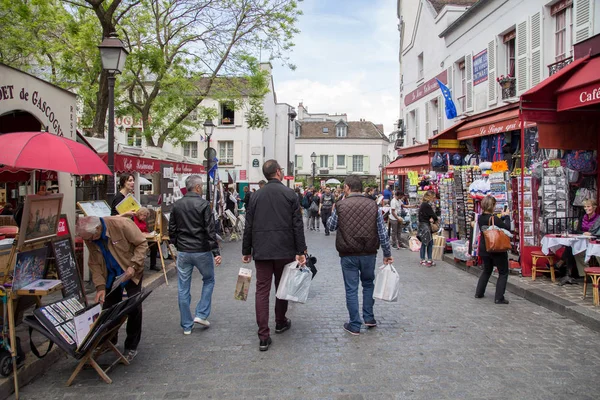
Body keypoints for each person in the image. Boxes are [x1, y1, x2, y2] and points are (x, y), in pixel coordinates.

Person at [242, 160, 307, 351]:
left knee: (262, 291)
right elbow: (297, 225)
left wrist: (246, 250)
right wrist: (300, 251)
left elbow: (249, 226)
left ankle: (263, 335)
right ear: (278, 172)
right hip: (284, 249)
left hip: (262, 250)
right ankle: (280, 321)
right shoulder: (290, 194)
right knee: (282, 287)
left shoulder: (255, 197)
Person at [76, 215, 148, 362]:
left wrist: (133, 266)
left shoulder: (121, 224)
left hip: (130, 270)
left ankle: (131, 346)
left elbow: (142, 244)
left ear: (98, 229)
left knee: (134, 307)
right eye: (86, 239)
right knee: (109, 309)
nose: (89, 241)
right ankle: (109, 341)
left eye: (90, 238)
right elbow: (94, 262)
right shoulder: (90, 237)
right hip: (110, 275)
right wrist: (100, 287)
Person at [327, 175, 393, 335]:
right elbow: (382, 231)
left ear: (347, 188)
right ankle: (369, 318)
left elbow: (331, 226)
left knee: (351, 289)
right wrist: (387, 252)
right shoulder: (373, 205)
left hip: (348, 252)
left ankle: (355, 324)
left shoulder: (340, 205)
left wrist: (334, 212)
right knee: (368, 284)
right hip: (369, 252)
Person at [169, 175, 222, 335]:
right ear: (198, 187)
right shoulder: (204, 204)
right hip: (201, 250)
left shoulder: (177, 205)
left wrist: (178, 245)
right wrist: (216, 252)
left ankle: (186, 325)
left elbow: (172, 229)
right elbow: (209, 230)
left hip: (184, 251)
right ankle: (201, 313)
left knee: (183, 287)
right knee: (209, 280)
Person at [475, 195, 511, 304]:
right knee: (503, 272)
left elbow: (494, 224)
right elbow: (506, 227)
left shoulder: (481, 218)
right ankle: (499, 297)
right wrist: (507, 217)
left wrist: (501, 217)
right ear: (493, 205)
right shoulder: (494, 218)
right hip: (496, 248)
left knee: (487, 270)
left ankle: (479, 292)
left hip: (484, 248)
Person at [133, 207, 160, 272]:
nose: (144, 217)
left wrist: (148, 234)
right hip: (136, 238)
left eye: (145, 216)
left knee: (154, 245)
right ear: (140, 214)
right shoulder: (134, 219)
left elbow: (145, 229)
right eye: (144, 215)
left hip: (144, 237)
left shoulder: (142, 221)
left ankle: (153, 265)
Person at [417, 190, 438, 266]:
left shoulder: (423, 205)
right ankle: (426, 259)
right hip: (425, 225)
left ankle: (425, 259)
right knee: (428, 242)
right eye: (433, 197)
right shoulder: (426, 205)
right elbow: (433, 215)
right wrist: (434, 219)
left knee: (426, 242)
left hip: (423, 225)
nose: (434, 199)